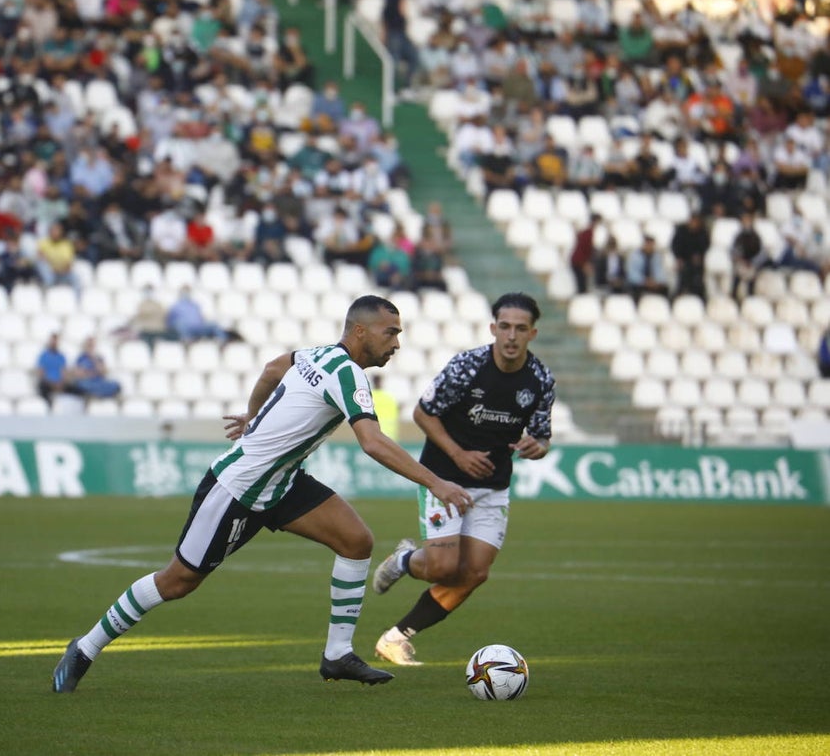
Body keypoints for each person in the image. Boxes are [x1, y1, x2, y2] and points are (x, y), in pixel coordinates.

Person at [52, 296, 473, 693]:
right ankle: (84, 648)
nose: (397, 343)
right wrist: (436, 482)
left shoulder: (316, 354)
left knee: (356, 540)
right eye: (390, 332)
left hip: (282, 483)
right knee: (177, 581)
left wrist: (253, 413)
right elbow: (373, 442)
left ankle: (337, 654)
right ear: (360, 332)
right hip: (237, 487)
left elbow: (273, 368)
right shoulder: (349, 375)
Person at [371, 292, 555, 666]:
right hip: (445, 476)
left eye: (521, 329)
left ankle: (396, 638)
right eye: (504, 327)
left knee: (474, 573)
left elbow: (542, 435)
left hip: (493, 488)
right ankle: (405, 560)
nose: (511, 336)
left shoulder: (540, 380)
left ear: (532, 334)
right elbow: (424, 414)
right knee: (443, 568)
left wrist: (539, 447)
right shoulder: (467, 367)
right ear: (493, 328)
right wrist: (458, 454)